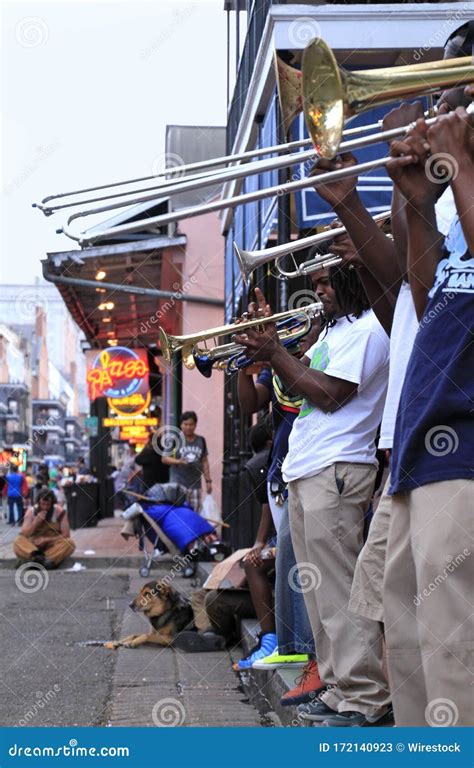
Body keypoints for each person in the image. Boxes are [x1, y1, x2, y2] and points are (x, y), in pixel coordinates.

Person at [235, 270, 391, 727]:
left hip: (337, 468)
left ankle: (366, 696)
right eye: (315, 282)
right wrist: (256, 354)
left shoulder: (369, 330)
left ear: (352, 281)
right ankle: (341, 687)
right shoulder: (332, 331)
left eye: (326, 281)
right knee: (319, 592)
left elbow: (330, 395)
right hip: (307, 470)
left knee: (338, 588)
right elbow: (271, 398)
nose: (317, 290)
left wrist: (275, 352)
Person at [381, 78, 474, 726]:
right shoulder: (457, 206)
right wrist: (417, 203)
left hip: (463, 439)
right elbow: (426, 301)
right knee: (409, 639)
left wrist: (461, 164)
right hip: (424, 441)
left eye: (461, 95)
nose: (445, 111)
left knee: (453, 649)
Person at [237, 320, 324, 705]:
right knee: (290, 566)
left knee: (308, 571)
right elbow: (250, 405)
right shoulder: (276, 362)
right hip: (282, 467)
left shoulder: (322, 354)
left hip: (312, 464)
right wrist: (241, 364)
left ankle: (312, 659)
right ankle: (283, 644)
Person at [162, 411, 212, 513]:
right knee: (178, 513)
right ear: (181, 425)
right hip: (178, 485)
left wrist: (208, 481)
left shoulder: (201, 440)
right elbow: (164, 458)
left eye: (191, 424)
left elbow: (204, 461)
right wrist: (178, 462)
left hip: (195, 486)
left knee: (195, 513)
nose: (188, 427)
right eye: (185, 424)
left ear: (195, 425)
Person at [13, 489, 75, 569]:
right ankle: (40, 559)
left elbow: (66, 535)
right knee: (18, 541)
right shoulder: (31, 512)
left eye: (48, 505)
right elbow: (24, 534)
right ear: (38, 503)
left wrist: (47, 540)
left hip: (51, 547)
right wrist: (36, 522)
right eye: (43, 504)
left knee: (70, 543)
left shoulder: (60, 512)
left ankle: (40, 561)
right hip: (33, 547)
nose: (45, 507)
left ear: (52, 504)